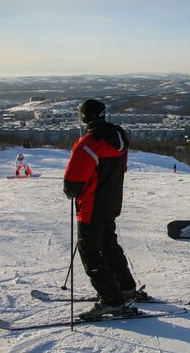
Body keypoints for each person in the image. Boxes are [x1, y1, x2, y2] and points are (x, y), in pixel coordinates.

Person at [63, 99, 146, 320]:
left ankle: (112, 300)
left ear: (84, 117)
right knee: (109, 245)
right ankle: (125, 288)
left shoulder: (88, 144)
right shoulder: (119, 138)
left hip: (91, 206)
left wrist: (73, 192)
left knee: (90, 252)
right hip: (111, 203)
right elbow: (122, 168)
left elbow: (73, 183)